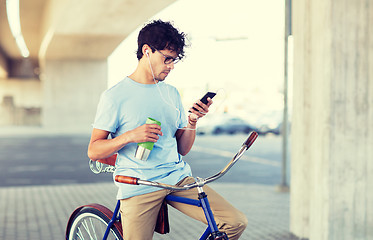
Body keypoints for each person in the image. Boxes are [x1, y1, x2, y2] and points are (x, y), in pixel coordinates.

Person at [87, 19, 248, 240]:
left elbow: (182, 149)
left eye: (174, 61)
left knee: (234, 222)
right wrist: (131, 136)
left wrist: (191, 122)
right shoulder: (114, 97)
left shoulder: (171, 93)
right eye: (167, 59)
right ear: (146, 51)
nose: (171, 66)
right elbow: (94, 150)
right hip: (139, 183)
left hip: (177, 179)